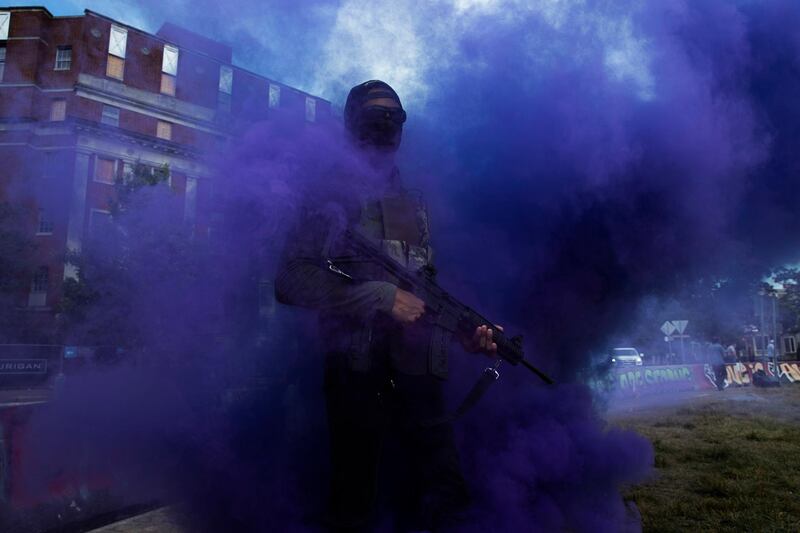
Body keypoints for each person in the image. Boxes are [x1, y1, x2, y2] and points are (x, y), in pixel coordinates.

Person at [274, 80, 499, 532]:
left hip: (418, 375)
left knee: (441, 496)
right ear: (352, 126)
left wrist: (465, 334)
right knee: (356, 502)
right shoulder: (327, 197)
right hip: (356, 375)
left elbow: (423, 290)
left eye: (392, 119)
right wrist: (378, 297)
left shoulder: (409, 202)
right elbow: (290, 279)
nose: (383, 130)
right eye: (372, 119)